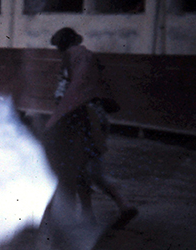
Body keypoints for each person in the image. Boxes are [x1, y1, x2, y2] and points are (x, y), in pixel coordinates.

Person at [44, 27, 138, 229]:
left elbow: (62, 93)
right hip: (99, 116)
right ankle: (122, 204)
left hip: (79, 118)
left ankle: (80, 215)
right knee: (93, 168)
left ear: (62, 45)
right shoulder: (90, 57)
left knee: (71, 167)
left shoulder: (70, 58)